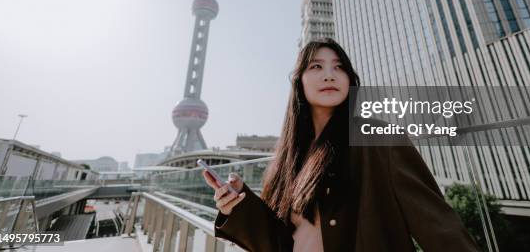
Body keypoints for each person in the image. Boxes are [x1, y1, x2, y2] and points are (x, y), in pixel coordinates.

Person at [202, 38, 478, 251]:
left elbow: (436, 223)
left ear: (350, 80)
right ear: (299, 82)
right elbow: (278, 243)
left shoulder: (377, 137)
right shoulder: (285, 161)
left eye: (339, 67)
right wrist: (237, 206)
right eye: (316, 66)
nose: (330, 75)